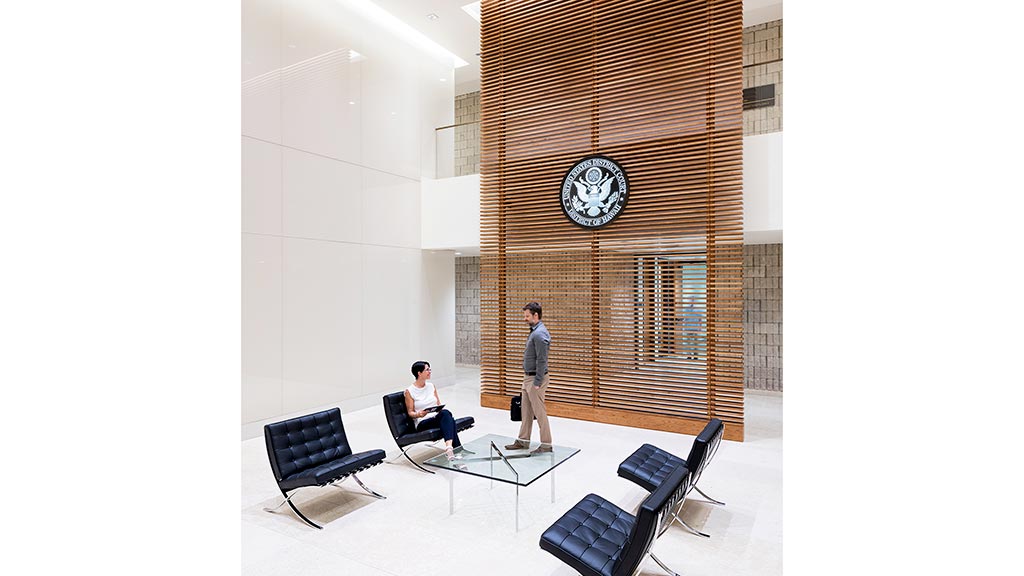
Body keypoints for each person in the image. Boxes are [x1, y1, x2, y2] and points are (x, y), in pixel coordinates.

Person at [505, 301, 553, 454]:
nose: (524, 318)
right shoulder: (534, 331)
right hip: (527, 378)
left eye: (527, 316)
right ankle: (523, 441)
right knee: (525, 412)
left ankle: (546, 444)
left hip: (535, 380)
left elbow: (542, 359)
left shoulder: (540, 334)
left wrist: (538, 382)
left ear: (536, 315)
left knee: (539, 413)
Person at [405, 360, 463, 461]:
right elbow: (410, 412)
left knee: (446, 414)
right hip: (423, 422)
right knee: (449, 418)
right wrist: (419, 414)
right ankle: (456, 449)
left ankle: (450, 448)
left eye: (430, 369)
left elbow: (438, 404)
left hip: (436, 417)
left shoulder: (431, 386)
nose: (430, 371)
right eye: (427, 370)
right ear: (419, 373)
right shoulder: (409, 391)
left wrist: (439, 409)